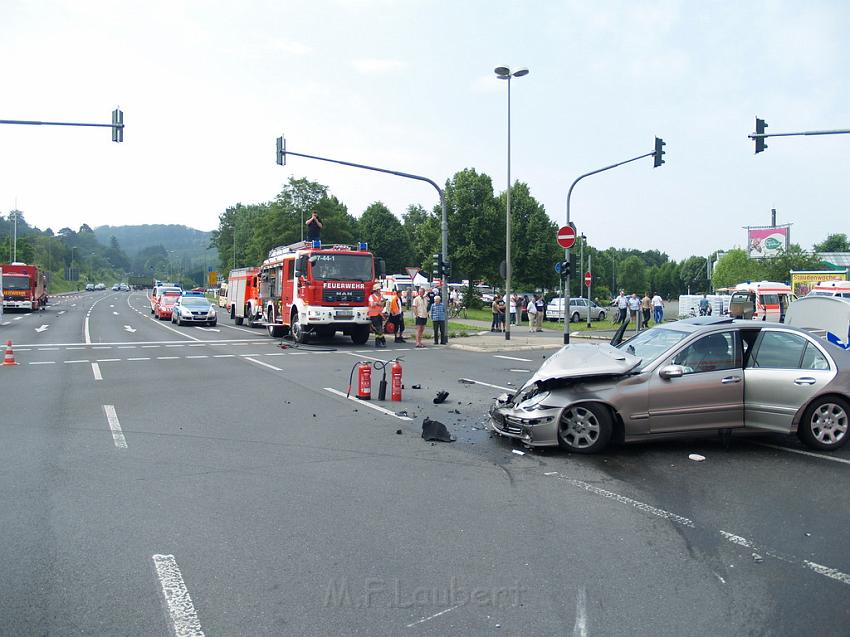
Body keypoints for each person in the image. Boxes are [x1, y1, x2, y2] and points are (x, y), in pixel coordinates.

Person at [367, 283, 386, 348]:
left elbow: (383, 303)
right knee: (379, 329)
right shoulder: (371, 297)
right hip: (373, 315)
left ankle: (377, 343)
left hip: (380, 314)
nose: (379, 290)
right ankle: (383, 340)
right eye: (378, 289)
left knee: (378, 330)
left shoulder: (381, 296)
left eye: (380, 289)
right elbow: (372, 304)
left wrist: (378, 303)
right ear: (376, 290)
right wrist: (378, 303)